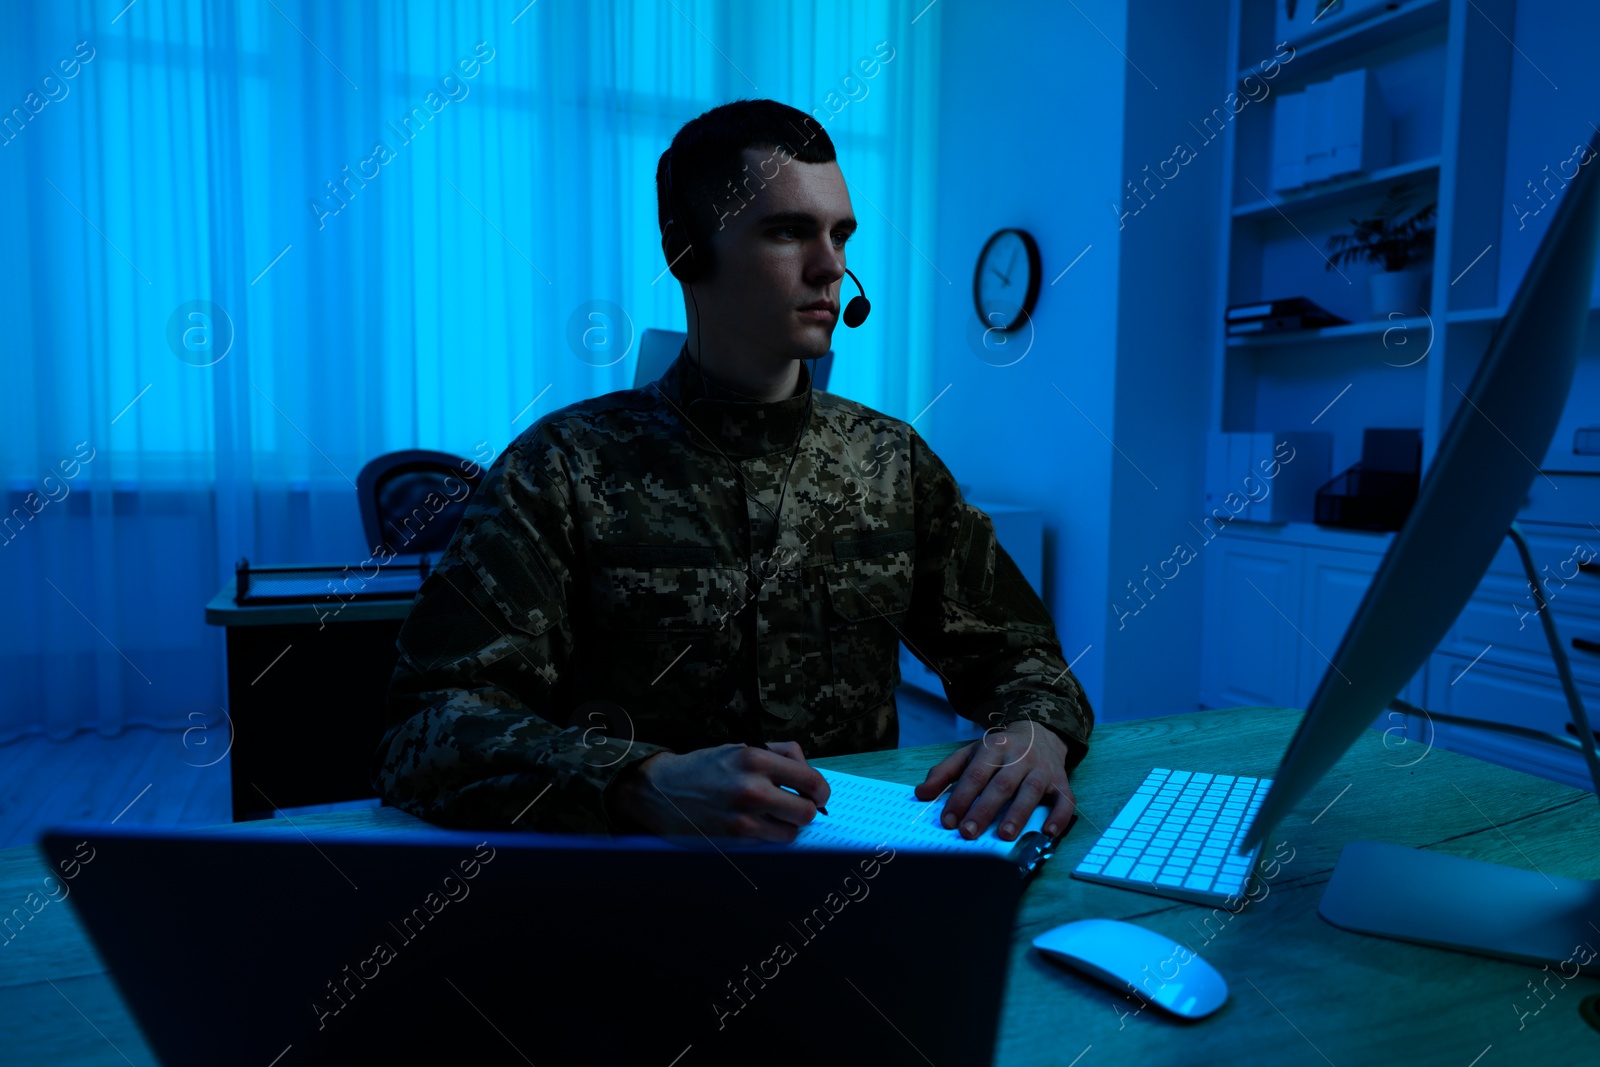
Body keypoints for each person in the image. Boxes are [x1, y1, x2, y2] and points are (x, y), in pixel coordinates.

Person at [372, 98, 1093, 845]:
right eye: (788, 231)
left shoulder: (891, 462)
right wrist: (638, 779)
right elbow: (426, 727)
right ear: (686, 250)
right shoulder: (561, 468)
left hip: (858, 883)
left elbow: (1023, 657)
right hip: (636, 894)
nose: (832, 266)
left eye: (840, 234)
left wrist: (1035, 731)